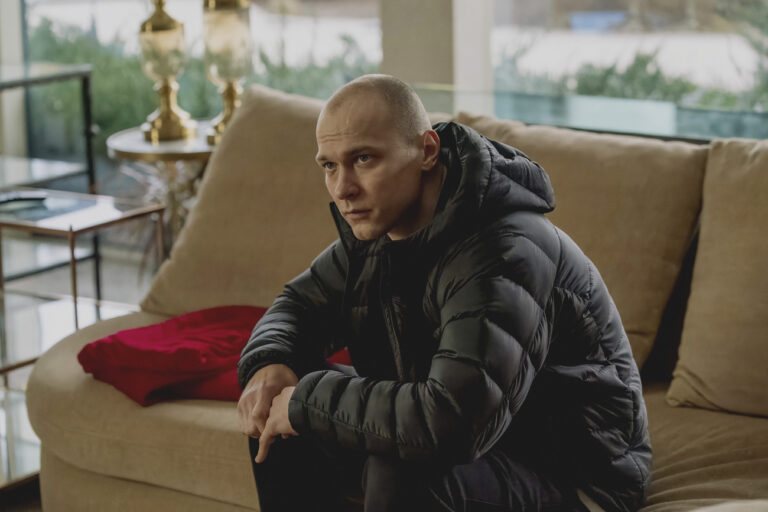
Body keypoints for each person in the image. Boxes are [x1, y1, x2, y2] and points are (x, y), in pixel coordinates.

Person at [237, 74, 651, 512]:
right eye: (329, 166)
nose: (343, 188)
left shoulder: (505, 251)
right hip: (481, 450)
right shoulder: (380, 232)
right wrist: (271, 365)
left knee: (396, 464)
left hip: (575, 477)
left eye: (363, 158)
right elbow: (296, 307)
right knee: (275, 413)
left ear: (427, 151)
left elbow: (452, 420)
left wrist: (306, 402)